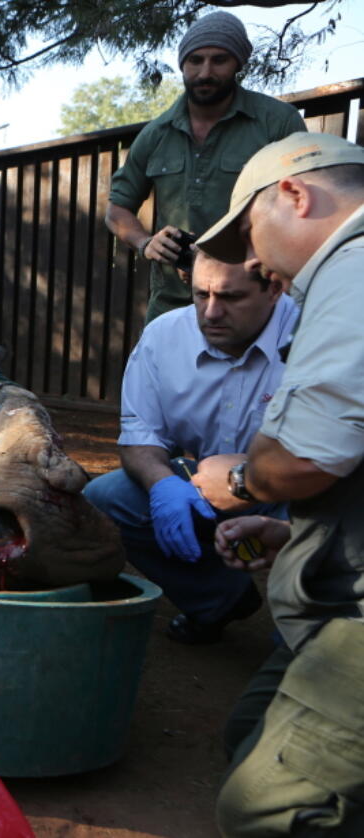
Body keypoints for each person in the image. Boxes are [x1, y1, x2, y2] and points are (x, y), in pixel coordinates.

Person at [188, 132, 364, 835]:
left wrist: (239, 481)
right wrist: (295, 532)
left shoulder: (352, 267)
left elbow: (304, 460)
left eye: (251, 235)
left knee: (266, 808)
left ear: (295, 194)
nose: (255, 258)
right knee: (250, 733)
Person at [82, 250, 296, 643]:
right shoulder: (165, 336)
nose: (211, 312)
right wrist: (162, 484)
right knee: (107, 497)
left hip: (304, 491)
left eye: (231, 297)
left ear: (274, 290)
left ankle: (309, 624)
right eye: (201, 295)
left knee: (299, 650)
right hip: (206, 487)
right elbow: (140, 436)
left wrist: (257, 480)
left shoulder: (316, 338)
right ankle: (219, 599)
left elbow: (340, 457)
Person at [105, 11, 306, 323]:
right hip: (171, 307)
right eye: (195, 60)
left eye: (219, 60)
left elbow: (300, 207)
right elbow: (117, 209)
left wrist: (248, 255)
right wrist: (146, 243)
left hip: (253, 305)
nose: (205, 72)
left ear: (239, 63)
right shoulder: (156, 134)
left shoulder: (277, 123)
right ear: (183, 63)